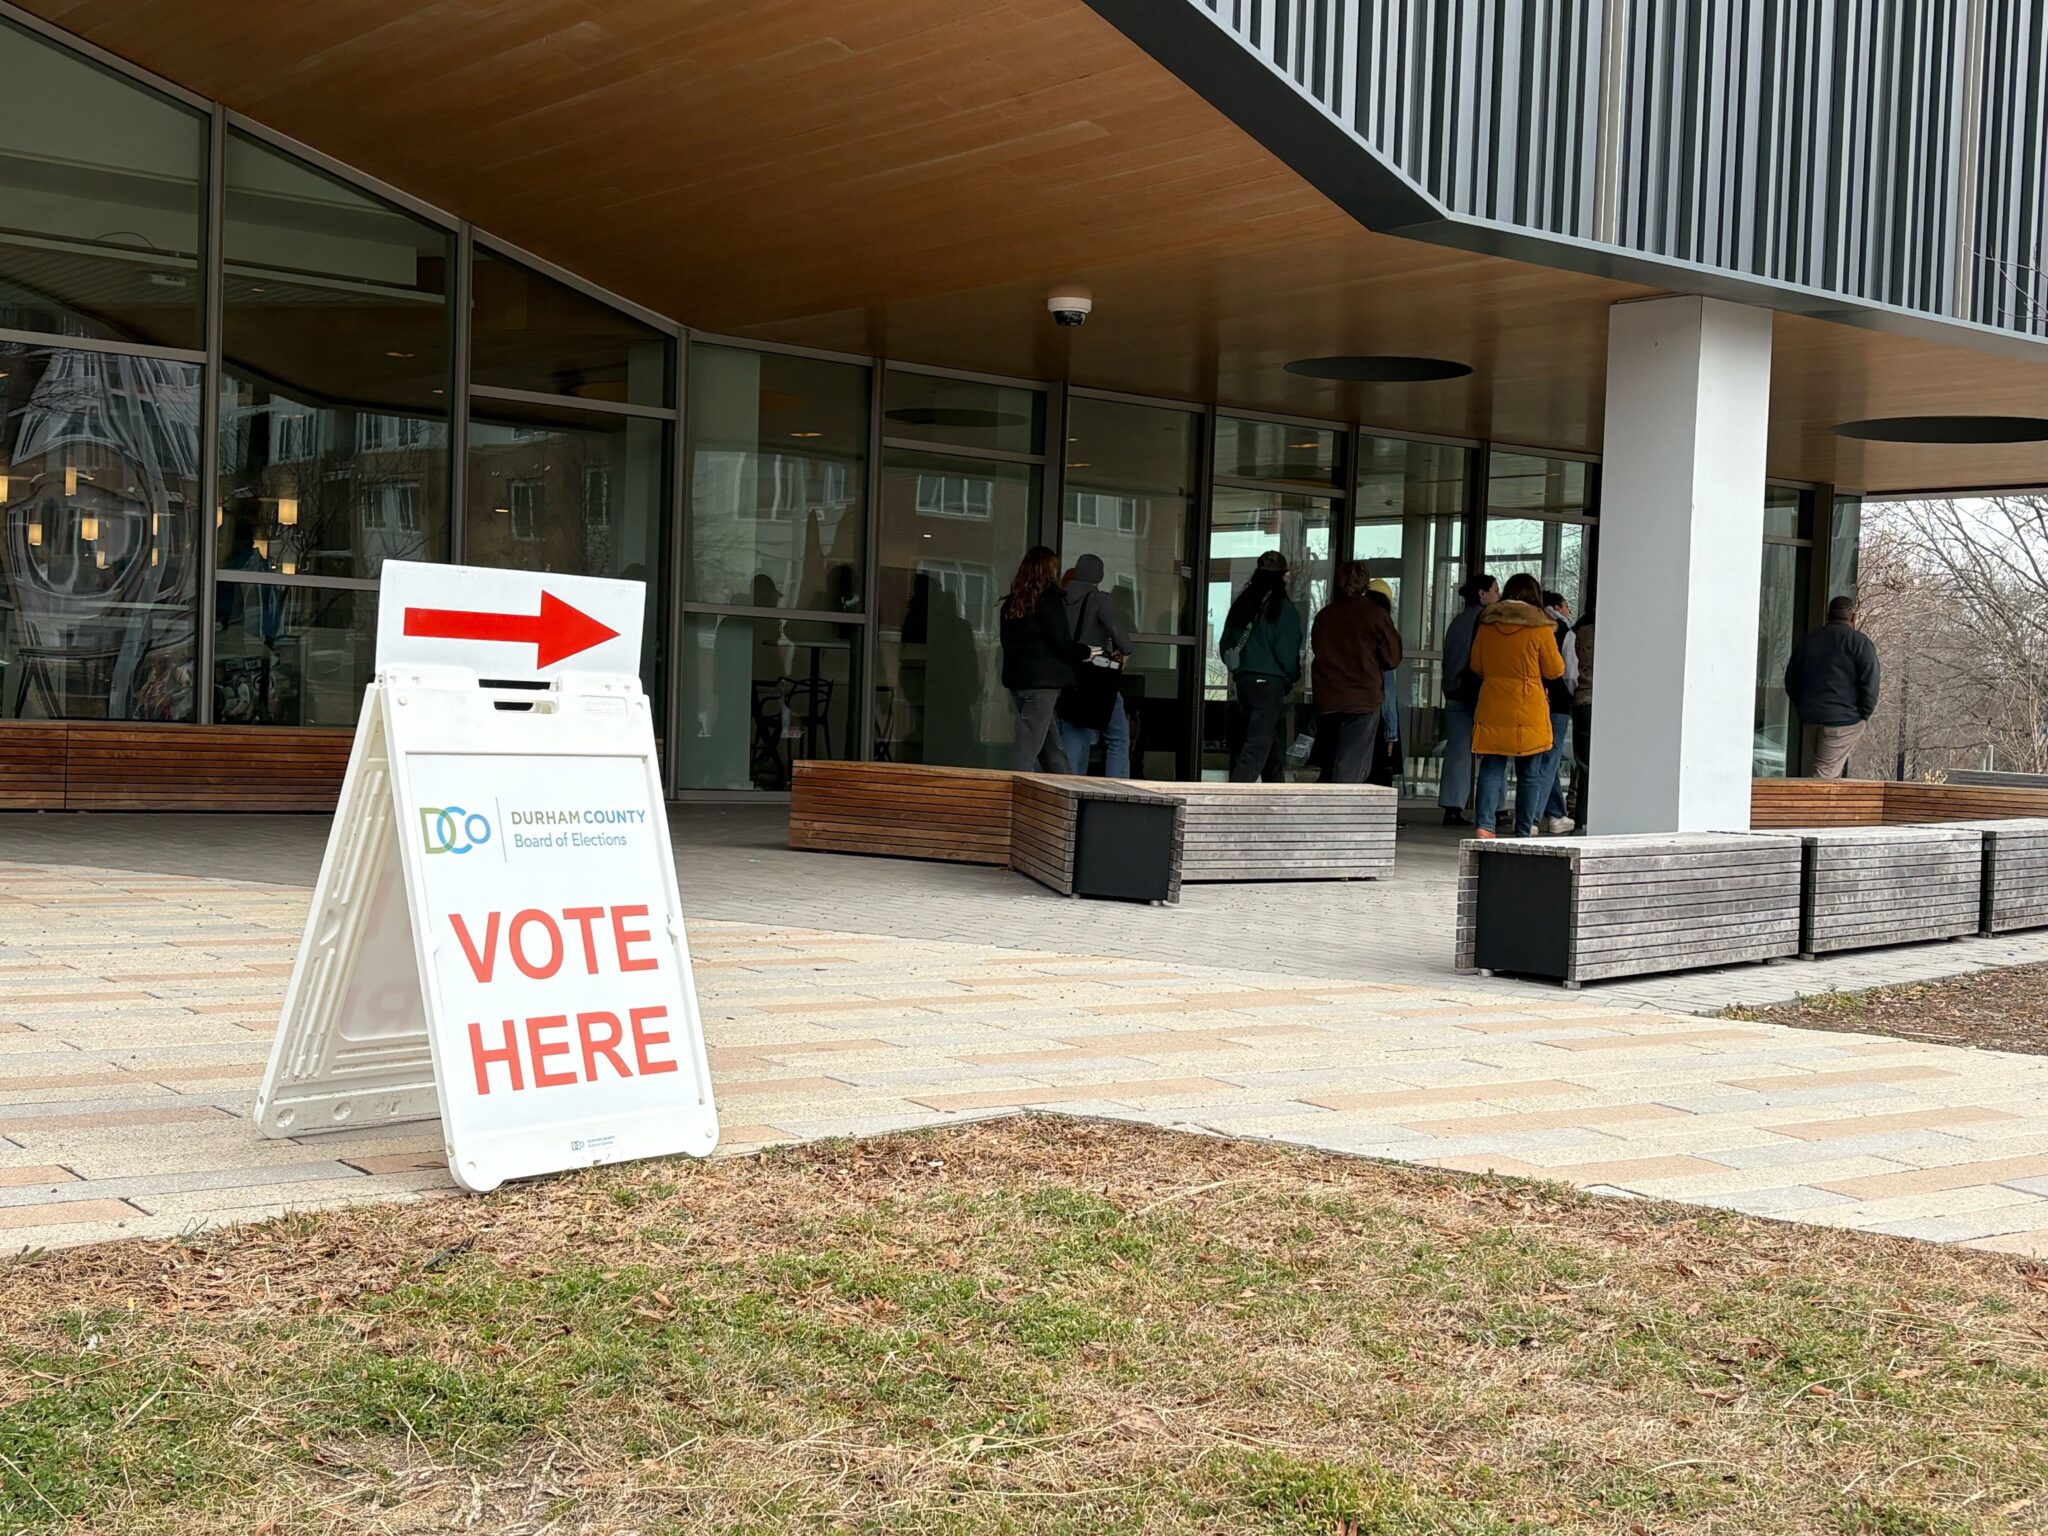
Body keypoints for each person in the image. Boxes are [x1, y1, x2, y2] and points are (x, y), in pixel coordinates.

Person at [1469, 572, 1564, 839]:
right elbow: (1555, 670)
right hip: (1529, 706)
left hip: (1493, 702)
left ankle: (1485, 826)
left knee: (1491, 767)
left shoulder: (1487, 625)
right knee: (1529, 773)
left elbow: (1476, 664)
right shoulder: (1541, 628)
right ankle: (1523, 830)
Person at [999, 545, 1093, 772]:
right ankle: (1008, 797)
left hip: (1017, 681)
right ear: (1048, 570)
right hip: (1043, 684)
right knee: (1027, 749)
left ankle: (1067, 795)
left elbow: (1007, 643)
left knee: (1050, 747)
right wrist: (1085, 652)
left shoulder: (1012, 603)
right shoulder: (1050, 600)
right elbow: (1059, 642)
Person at [1309, 562, 1404, 784]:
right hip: (1362, 698)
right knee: (1353, 764)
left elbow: (1317, 650)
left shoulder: (1324, 616)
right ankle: (1342, 814)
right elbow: (1392, 657)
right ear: (1365, 584)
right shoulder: (1374, 615)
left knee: (1331, 760)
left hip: (1328, 697)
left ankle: (1325, 810)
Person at [1221, 550, 1302, 783]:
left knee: (1270, 749)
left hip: (1244, 685)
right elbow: (1287, 653)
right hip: (1270, 686)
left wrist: (1240, 670)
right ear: (1283, 576)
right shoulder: (1283, 609)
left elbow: (1226, 645)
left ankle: (1274, 802)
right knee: (1256, 750)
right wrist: (1292, 676)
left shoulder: (1241, 606)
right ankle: (1232, 803)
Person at [1786, 595, 1881, 779]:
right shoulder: (1860, 643)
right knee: (1825, 774)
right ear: (1853, 617)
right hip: (1844, 721)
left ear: (1828, 615)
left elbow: (1791, 679)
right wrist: (1863, 714)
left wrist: (1803, 706)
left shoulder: (1808, 641)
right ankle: (1809, 806)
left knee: (1828, 768)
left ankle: (1828, 805)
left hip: (1811, 717)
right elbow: (1871, 683)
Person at [1057, 553, 1134, 776]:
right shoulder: (1099, 599)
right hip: (1095, 677)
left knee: (1074, 737)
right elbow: (1121, 635)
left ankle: (1070, 789)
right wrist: (1124, 653)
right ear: (1099, 576)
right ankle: (1117, 792)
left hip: (1067, 675)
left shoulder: (1058, 599)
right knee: (1118, 736)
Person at [1437, 574, 1498, 824]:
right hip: (1477, 694)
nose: (1498, 596)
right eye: (1494, 590)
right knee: (1494, 750)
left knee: (1458, 751)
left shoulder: (1457, 622)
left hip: (1454, 692)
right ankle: (1496, 807)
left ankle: (1453, 804)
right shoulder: (1486, 622)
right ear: (1482, 594)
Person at [1532, 590, 1578, 835]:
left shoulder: (1531, 625)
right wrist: (1570, 693)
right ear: (1558, 607)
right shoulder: (1563, 631)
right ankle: (1532, 816)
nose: (1568, 611)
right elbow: (1570, 673)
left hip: (1533, 699)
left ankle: (1556, 814)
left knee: (1541, 760)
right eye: (1566, 606)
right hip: (1558, 703)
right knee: (1549, 761)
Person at [1367, 587, 1403, 787]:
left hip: (1354, 707)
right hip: (1378, 715)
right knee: (1380, 771)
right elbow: (1387, 690)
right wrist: (1392, 734)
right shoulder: (1382, 643)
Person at [1568, 608, 1594, 827]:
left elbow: (1570, 673)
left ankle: (1582, 819)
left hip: (1583, 700)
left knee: (1584, 763)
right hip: (1612, 704)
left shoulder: (1577, 633)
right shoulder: (1619, 631)